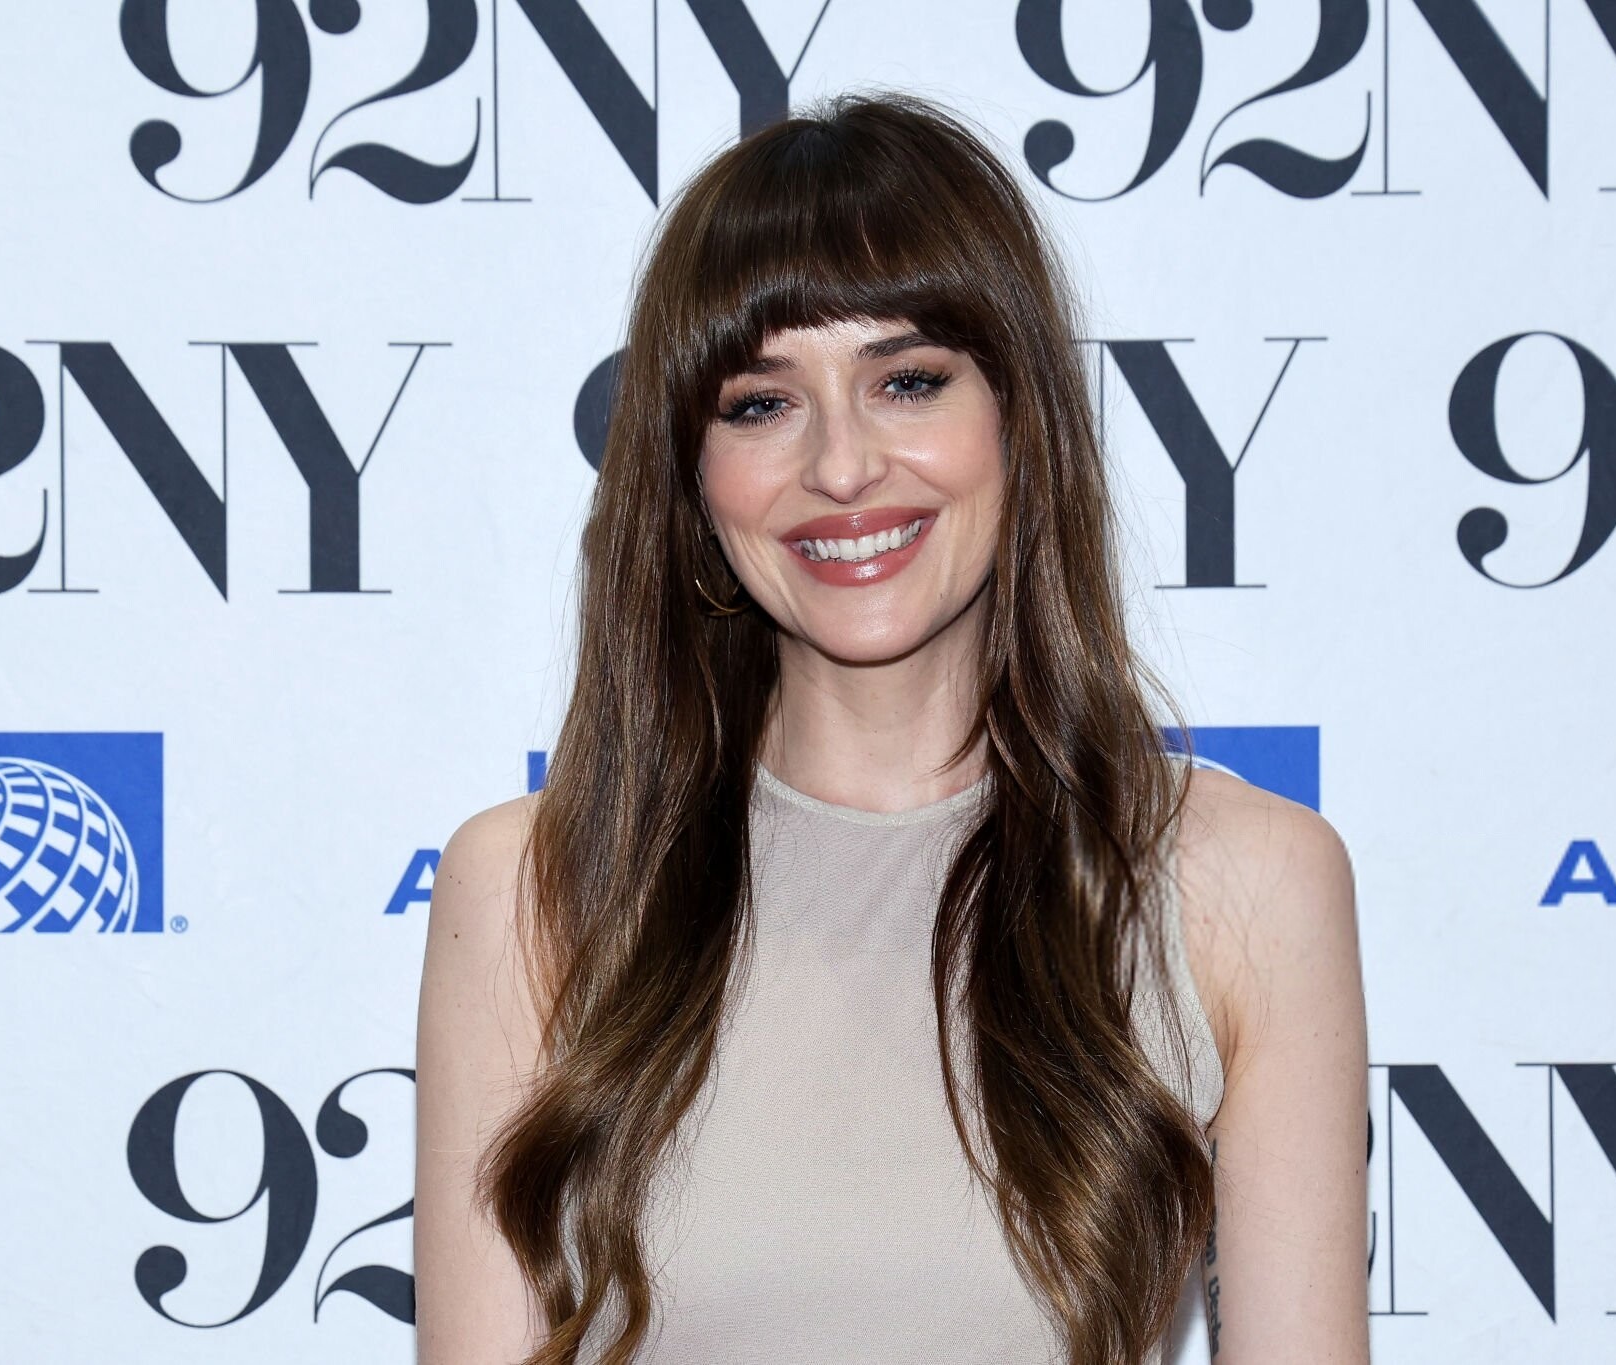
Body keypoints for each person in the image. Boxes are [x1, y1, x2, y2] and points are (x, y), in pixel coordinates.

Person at [415, 91, 1368, 1365]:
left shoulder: (1240, 881)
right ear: (690, 474)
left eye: (907, 382)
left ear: (1018, 416)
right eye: (760, 404)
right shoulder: (536, 886)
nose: (843, 466)